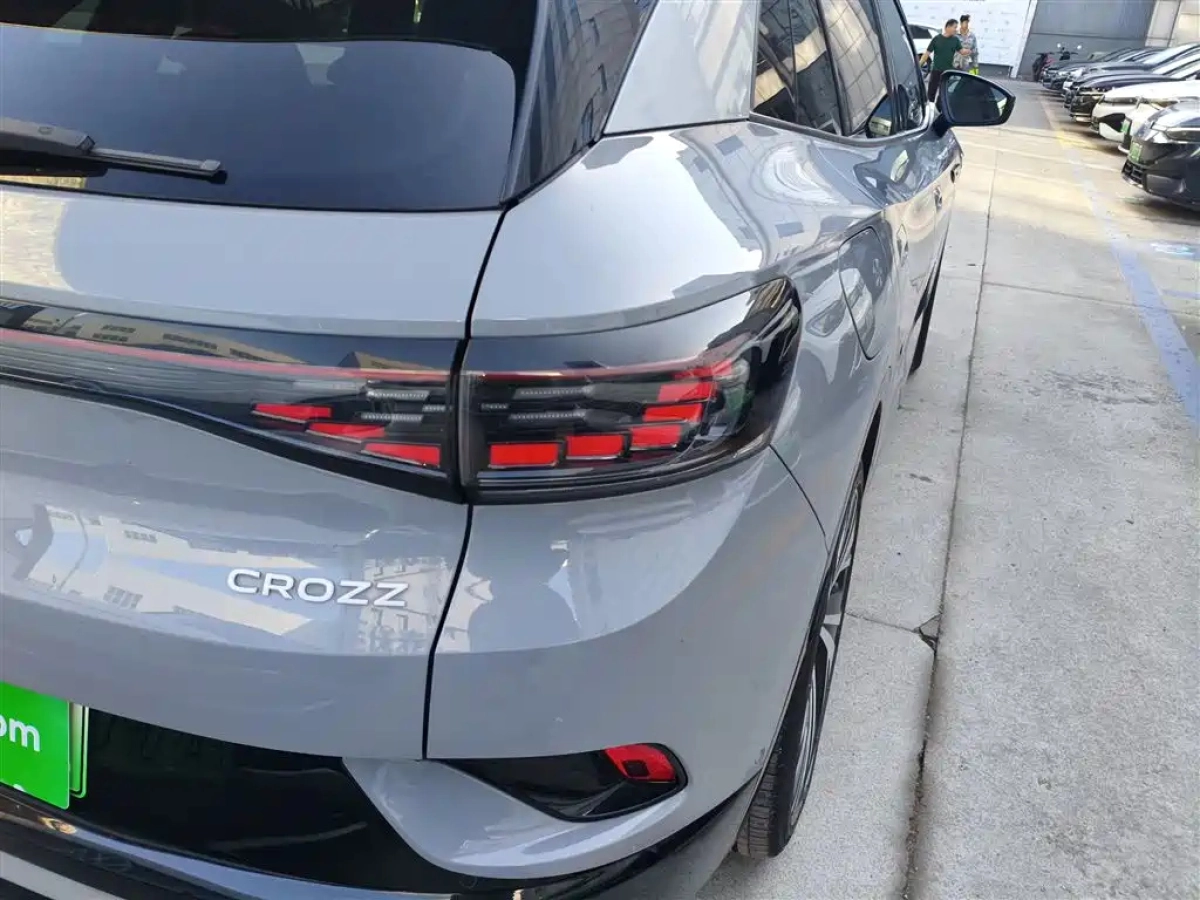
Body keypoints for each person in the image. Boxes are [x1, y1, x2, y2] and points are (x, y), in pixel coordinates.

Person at [920, 19, 971, 103]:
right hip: (936, 70)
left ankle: (940, 107)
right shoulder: (936, 39)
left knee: (943, 94)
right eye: (955, 27)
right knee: (931, 93)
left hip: (947, 72)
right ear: (948, 27)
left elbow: (961, 51)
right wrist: (919, 65)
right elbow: (926, 54)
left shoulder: (955, 40)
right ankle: (930, 106)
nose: (956, 30)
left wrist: (969, 50)